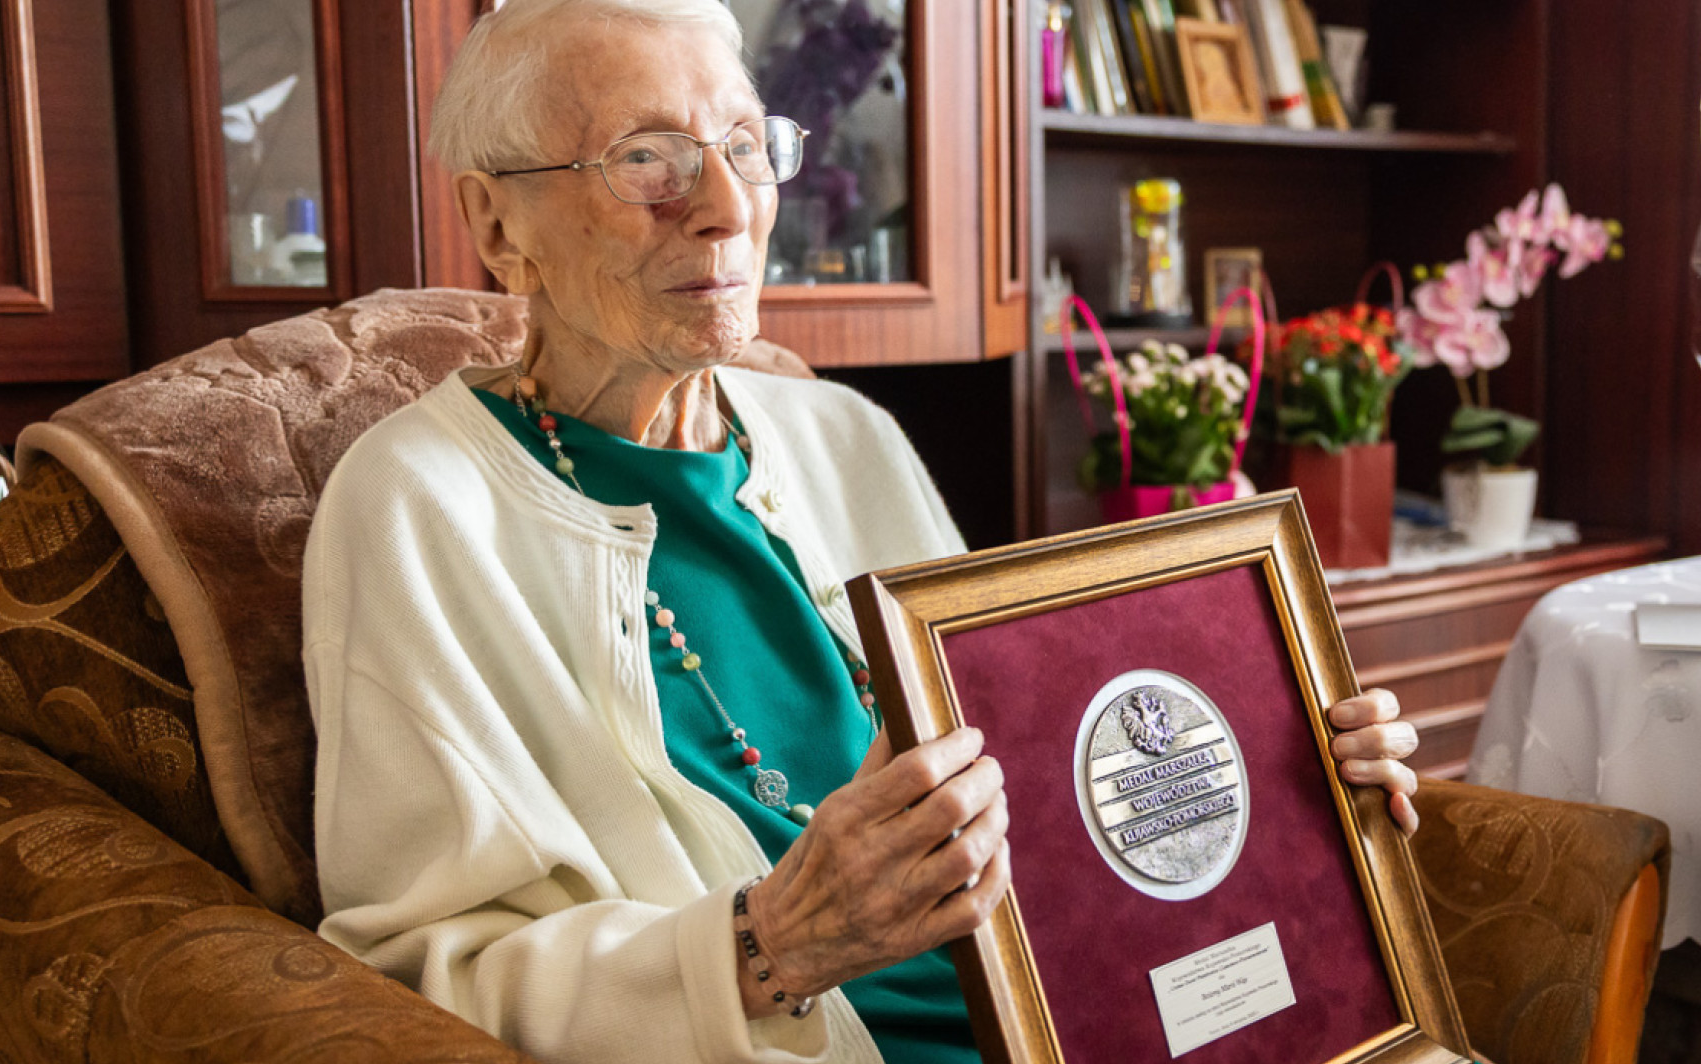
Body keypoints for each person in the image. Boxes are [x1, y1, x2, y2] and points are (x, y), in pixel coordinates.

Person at [302, 2, 1422, 1062]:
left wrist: (1262, 771)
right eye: (647, 158)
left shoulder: (847, 434)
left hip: (1073, 1015)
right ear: (497, 223)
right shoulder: (417, 505)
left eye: (745, 146)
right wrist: (769, 945)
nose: (728, 207)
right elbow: (415, 977)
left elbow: (1037, 768)